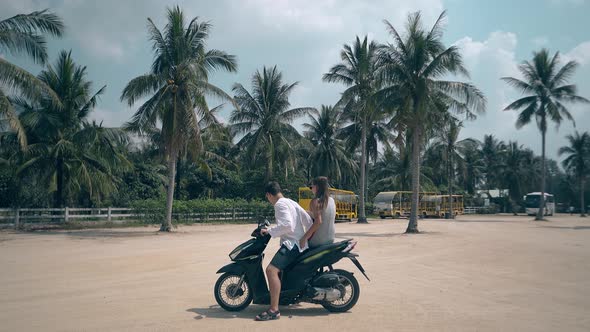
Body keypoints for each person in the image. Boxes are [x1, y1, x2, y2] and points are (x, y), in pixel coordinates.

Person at [256, 181, 312, 321]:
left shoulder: (279, 204)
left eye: (267, 197)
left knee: (271, 270)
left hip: (292, 245)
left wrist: (269, 231)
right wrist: (304, 237)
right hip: (299, 244)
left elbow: (287, 225)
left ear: (269, 195)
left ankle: (274, 310)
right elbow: (308, 221)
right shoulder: (291, 202)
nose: (268, 200)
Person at [300, 176, 336, 249]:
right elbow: (324, 215)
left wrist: (304, 238)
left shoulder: (315, 201)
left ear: (316, 187)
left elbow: (318, 221)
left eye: (311, 187)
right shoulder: (332, 200)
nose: (311, 189)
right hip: (331, 238)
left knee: (298, 243)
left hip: (318, 241)